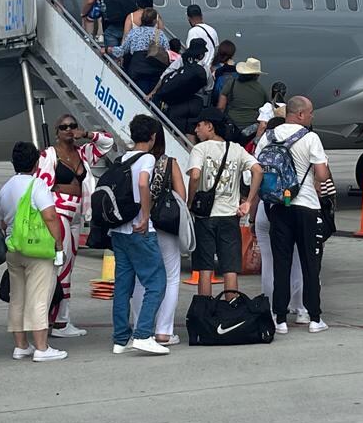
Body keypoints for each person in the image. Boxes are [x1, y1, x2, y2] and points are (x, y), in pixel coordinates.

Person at [255, 97, 331, 334]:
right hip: (306, 205)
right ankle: (314, 318)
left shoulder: (268, 136)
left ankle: (280, 319)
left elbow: (256, 168)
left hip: (278, 206)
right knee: (310, 263)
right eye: (310, 113)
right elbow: (321, 175)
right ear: (300, 114)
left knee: (281, 263)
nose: (312, 116)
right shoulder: (310, 137)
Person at [36, 117, 114, 337]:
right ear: (56, 131)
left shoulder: (83, 153)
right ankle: (60, 321)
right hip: (58, 212)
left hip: (76, 214)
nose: (69, 130)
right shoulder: (49, 155)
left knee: (67, 267)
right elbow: (41, 186)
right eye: (64, 127)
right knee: (63, 266)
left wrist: (87, 134)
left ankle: (58, 318)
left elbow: (108, 142)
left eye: (72, 126)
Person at [0, 142, 67, 362]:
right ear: (37, 163)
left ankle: (21, 346)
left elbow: (3, 221)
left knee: (17, 297)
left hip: (13, 248)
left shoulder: (5, 188)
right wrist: (58, 244)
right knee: (40, 297)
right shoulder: (37, 185)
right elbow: (50, 216)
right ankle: (42, 347)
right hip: (37, 249)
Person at [187, 107, 262, 298]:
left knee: (205, 267)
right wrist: (248, 201)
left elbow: (194, 175)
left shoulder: (200, 149)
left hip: (205, 216)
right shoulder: (235, 149)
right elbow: (258, 170)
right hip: (229, 215)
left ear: (210, 126)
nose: (196, 130)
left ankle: (205, 307)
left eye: (199, 125)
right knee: (230, 267)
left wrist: (190, 201)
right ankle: (231, 307)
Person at [110, 115, 169, 356]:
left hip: (119, 231)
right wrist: (145, 216)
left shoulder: (122, 158)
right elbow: (144, 184)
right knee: (157, 282)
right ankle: (143, 334)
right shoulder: (147, 158)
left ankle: (120, 339)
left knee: (123, 286)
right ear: (153, 137)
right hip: (138, 229)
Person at [130, 128, 186, 346]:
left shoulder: (129, 161)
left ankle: (140, 326)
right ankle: (163, 331)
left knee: (140, 278)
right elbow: (181, 196)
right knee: (171, 277)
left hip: (137, 224)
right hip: (164, 225)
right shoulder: (169, 163)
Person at [252, 115, 306, 325]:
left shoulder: (263, 145)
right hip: (289, 206)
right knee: (296, 260)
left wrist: (252, 215)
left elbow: (252, 180)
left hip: (265, 207)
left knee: (269, 263)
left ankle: (271, 308)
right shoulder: (298, 144)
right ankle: (299, 308)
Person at [151, 38, 209, 137]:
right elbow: (209, 89)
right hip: (196, 103)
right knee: (191, 131)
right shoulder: (205, 69)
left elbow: (165, 74)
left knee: (176, 129)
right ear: (201, 55)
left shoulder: (182, 60)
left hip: (178, 102)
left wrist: (153, 91)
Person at [108, 7, 169, 94]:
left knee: (138, 93)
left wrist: (108, 49)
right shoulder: (159, 34)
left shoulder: (134, 32)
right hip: (155, 70)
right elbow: (167, 51)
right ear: (155, 21)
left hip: (138, 69)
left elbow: (122, 50)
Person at [218, 57, 269, 142]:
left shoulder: (231, 84)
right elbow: (267, 109)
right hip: (251, 130)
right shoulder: (261, 89)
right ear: (257, 75)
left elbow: (221, 107)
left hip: (231, 126)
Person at [185, 5, 219, 72]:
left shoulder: (193, 32)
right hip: (210, 71)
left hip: (198, 70)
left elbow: (190, 52)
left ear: (188, 18)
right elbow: (216, 50)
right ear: (201, 16)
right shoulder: (212, 30)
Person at [209, 40, 237, 106]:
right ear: (232, 54)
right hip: (231, 102)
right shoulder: (236, 69)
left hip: (216, 100)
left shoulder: (213, 67)